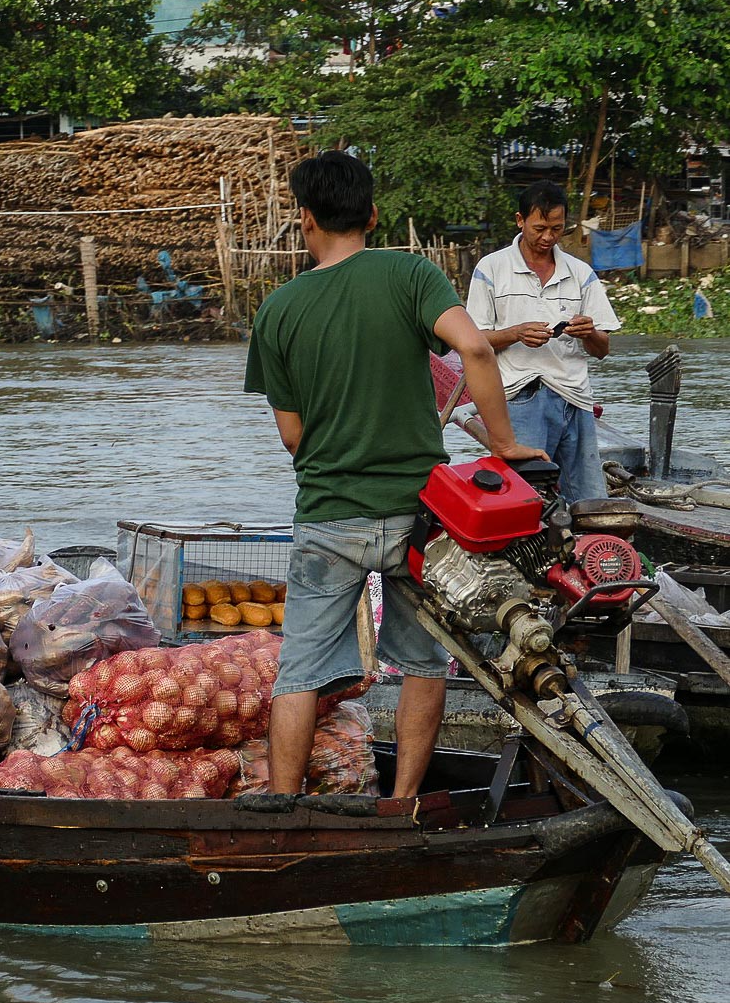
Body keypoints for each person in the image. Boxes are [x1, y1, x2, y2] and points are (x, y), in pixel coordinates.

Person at [245, 151, 545, 800]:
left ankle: (284, 811)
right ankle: (402, 805)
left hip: (328, 515)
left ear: (305, 220)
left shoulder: (278, 311)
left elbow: (292, 436)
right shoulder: (411, 275)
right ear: (373, 214)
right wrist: (504, 445)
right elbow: (471, 347)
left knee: (297, 673)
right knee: (421, 661)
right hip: (421, 517)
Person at [465, 181, 621, 502]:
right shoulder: (491, 269)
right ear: (520, 220)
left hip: (575, 400)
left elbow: (602, 349)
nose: (548, 237)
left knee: (588, 499)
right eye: (539, 228)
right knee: (527, 499)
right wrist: (515, 333)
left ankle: (585, 551)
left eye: (557, 228)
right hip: (520, 397)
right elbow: (473, 341)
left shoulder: (580, 273)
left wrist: (588, 332)